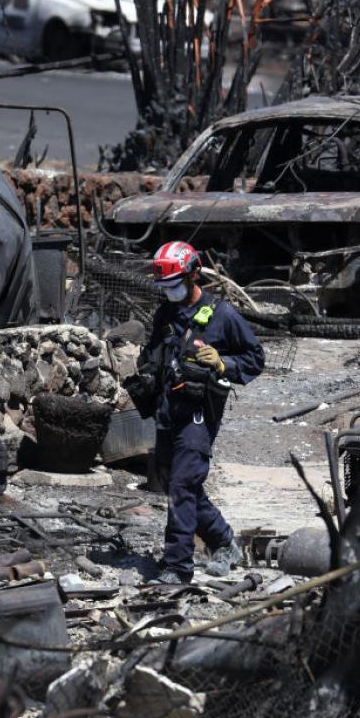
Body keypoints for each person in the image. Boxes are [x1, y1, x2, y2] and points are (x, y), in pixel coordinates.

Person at [137, 240, 264, 584]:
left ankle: (178, 567)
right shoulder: (166, 313)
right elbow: (153, 354)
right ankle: (223, 541)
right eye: (163, 286)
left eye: (174, 284)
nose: (169, 291)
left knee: (182, 484)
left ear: (194, 275)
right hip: (167, 409)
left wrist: (223, 362)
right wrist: (145, 376)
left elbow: (256, 358)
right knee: (175, 481)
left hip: (198, 413)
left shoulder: (222, 315)